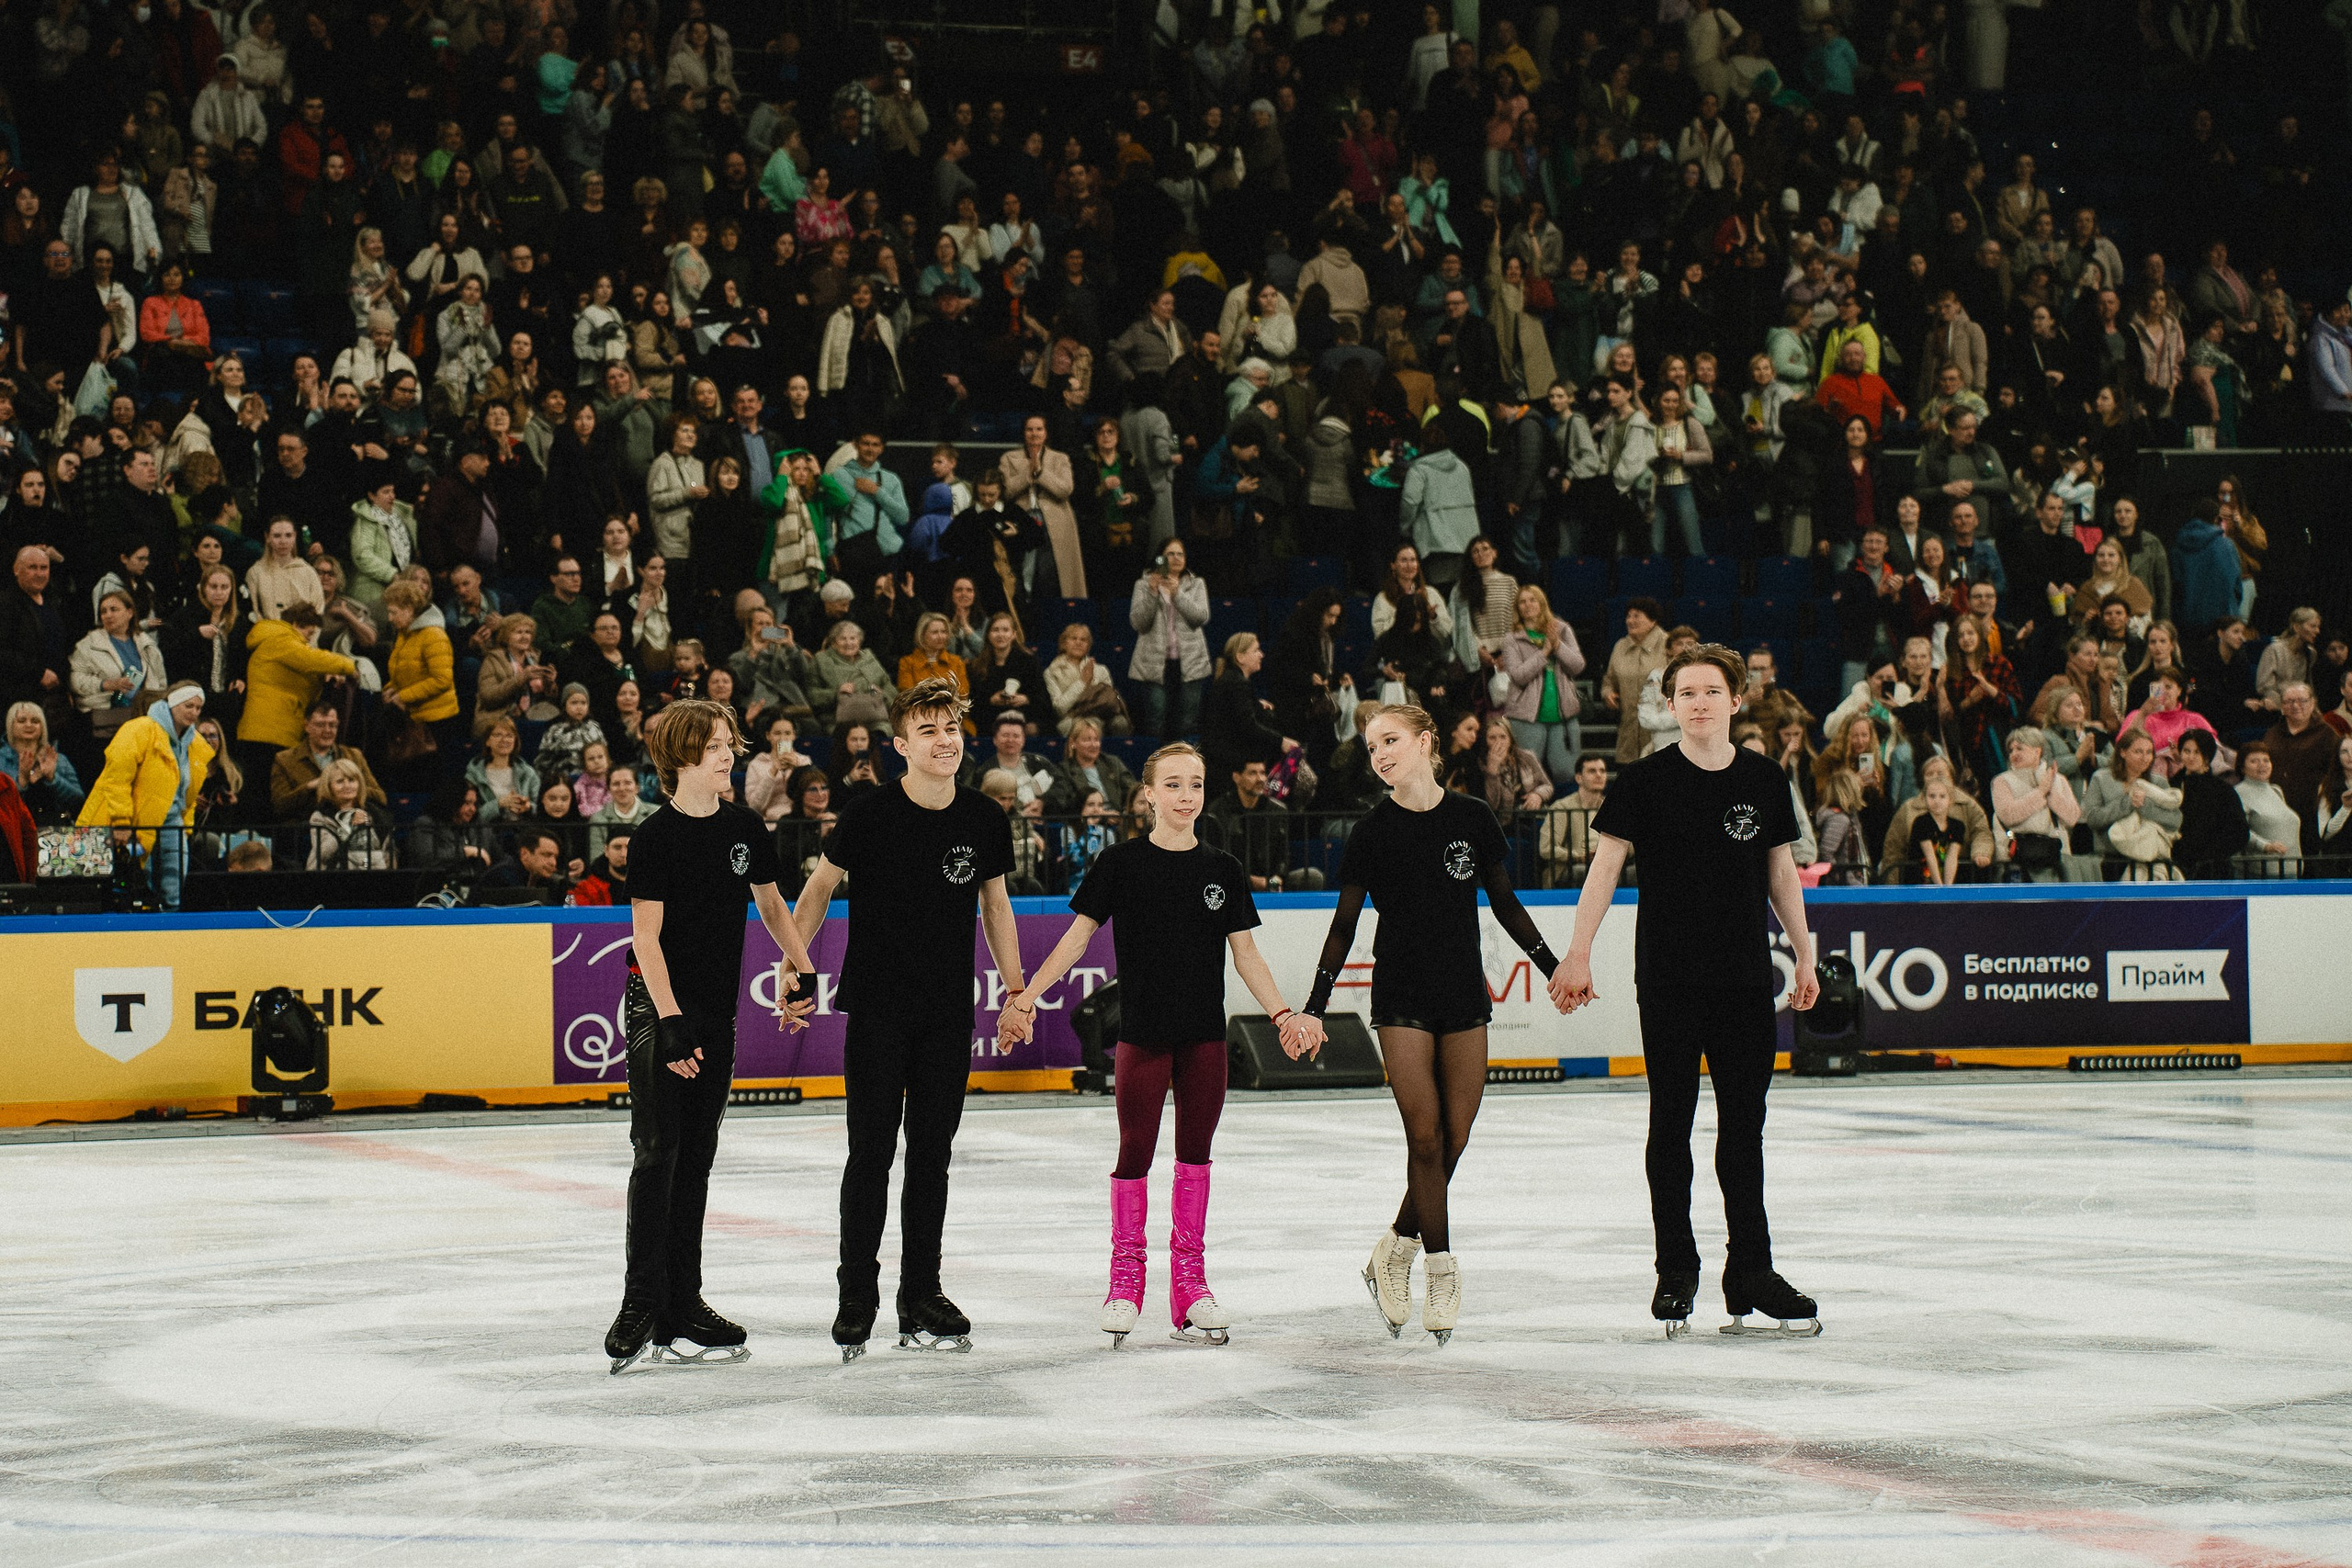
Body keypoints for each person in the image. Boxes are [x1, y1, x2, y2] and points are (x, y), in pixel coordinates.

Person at [1000, 742, 1321, 1346]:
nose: (1186, 796)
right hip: (1142, 1035)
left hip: (1204, 1036)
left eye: (1195, 784)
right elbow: (1075, 940)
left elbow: (1245, 953)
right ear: (1148, 793)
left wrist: (1281, 1013)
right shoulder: (1120, 864)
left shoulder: (1222, 868)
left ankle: (1191, 1286)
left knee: (1195, 1153)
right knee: (1134, 1152)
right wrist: (1028, 995)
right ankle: (1125, 1281)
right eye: (1173, 784)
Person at [1560, 641, 1824, 1337]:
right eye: (1688, 692)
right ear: (1669, 704)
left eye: (1713, 691)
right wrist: (1578, 952)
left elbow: (1781, 872)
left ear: (1736, 700)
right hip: (1671, 977)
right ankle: (1676, 1268)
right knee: (1670, 1124)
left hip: (1743, 979)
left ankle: (1752, 1272)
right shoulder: (1643, 781)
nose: (1701, 702)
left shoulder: (1766, 780)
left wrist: (1804, 950)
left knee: (1745, 1128)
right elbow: (1604, 870)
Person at [1303, 705, 1572, 1345]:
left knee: (1455, 1135)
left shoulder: (1472, 817)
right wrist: (1314, 1003)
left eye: (1390, 740)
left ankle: (1394, 1246)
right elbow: (1345, 924)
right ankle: (1440, 1268)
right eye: (1372, 747)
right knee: (1424, 1138)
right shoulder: (1370, 830)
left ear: (1426, 741)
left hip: (1462, 994)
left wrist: (1553, 967)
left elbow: (1504, 900)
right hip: (1400, 993)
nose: (1381, 754)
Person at [790, 679, 1027, 1361]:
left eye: (951, 726)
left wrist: (1015, 991)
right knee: (871, 1151)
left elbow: (997, 909)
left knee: (932, 1155)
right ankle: (855, 1295)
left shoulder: (984, 817)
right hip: (877, 1009)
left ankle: (920, 1291)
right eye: (928, 729)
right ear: (901, 746)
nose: (944, 739)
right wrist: (794, 964)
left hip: (948, 1012)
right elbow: (816, 891)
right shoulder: (867, 815)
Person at [604, 697, 817, 1373]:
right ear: (681, 757)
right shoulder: (655, 838)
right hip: (657, 1010)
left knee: (696, 1156)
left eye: (730, 743)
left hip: (715, 1014)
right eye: (716, 745)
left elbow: (772, 904)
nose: (730, 755)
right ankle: (641, 1302)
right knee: (657, 1149)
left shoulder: (744, 826)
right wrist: (668, 1023)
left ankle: (683, 1303)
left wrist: (802, 965)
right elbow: (647, 939)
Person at [76, 685, 212, 908]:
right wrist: (121, 822)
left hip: (172, 824)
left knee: (174, 885)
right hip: (135, 823)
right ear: (172, 703)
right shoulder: (138, 730)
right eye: (189, 706)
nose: (194, 712)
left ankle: (170, 933)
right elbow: (117, 779)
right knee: (137, 885)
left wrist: (186, 828)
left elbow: (189, 792)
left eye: (199, 708)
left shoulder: (195, 744)